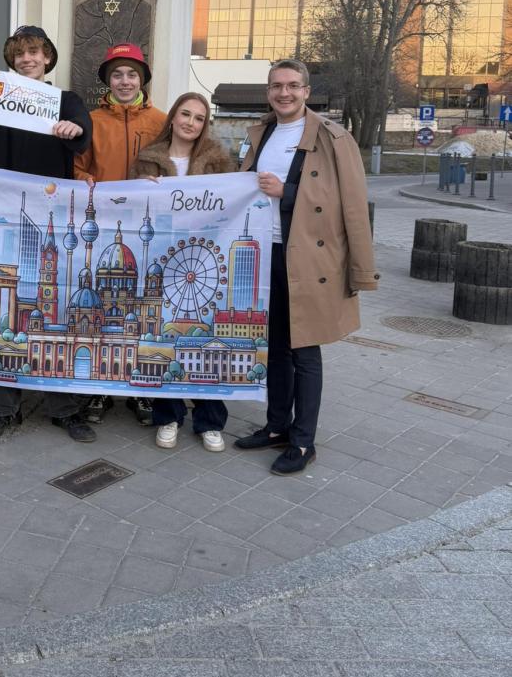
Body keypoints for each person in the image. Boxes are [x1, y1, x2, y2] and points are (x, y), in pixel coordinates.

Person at [236, 58, 379, 474]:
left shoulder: (334, 137)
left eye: (292, 85)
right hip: (266, 253)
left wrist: (286, 191)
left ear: (306, 91)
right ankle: (277, 426)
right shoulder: (260, 133)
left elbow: (350, 205)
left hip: (309, 257)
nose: (284, 93)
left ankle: (303, 442)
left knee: (305, 350)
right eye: (276, 86)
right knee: (275, 347)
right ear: (268, 92)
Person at [0, 24, 96, 442]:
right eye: (20, 53)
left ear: (47, 58)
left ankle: (64, 408)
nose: (27, 59)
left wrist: (74, 130)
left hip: (50, 221)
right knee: (7, 316)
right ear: (12, 60)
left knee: (54, 316)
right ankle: (3, 408)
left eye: (35, 52)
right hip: (6, 215)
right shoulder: (1, 93)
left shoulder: (66, 100)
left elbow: (82, 132)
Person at [130, 92, 232, 452]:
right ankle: (168, 416)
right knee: (164, 339)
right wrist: (141, 190)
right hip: (164, 260)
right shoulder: (148, 159)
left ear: (205, 125)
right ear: (173, 117)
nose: (190, 122)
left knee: (207, 338)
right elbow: (136, 209)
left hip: (205, 258)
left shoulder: (218, 161)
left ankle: (210, 420)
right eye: (185, 114)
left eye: (199, 118)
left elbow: (232, 202)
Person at [75, 43, 167, 425]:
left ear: (141, 80)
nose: (125, 81)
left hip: (148, 222)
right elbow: (76, 166)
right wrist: (86, 179)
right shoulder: (92, 120)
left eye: (132, 74)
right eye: (117, 75)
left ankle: (142, 392)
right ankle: (98, 388)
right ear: (108, 81)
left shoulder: (162, 121)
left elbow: (178, 165)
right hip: (105, 219)